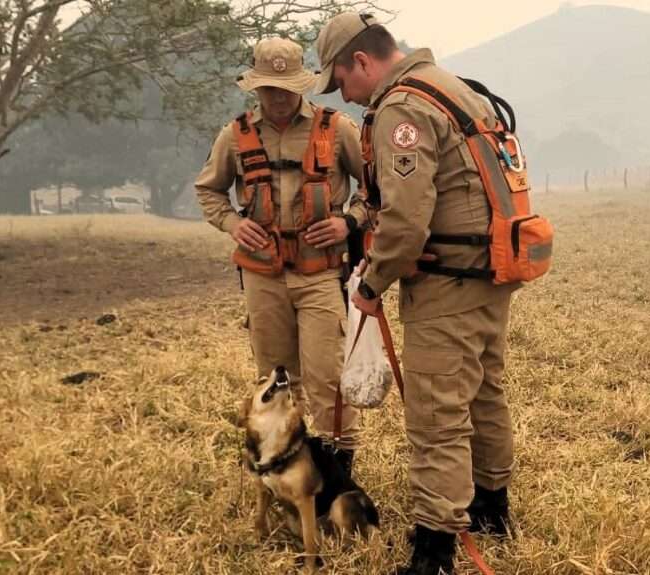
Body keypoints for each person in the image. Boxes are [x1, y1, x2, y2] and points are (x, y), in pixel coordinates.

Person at [315, 13, 521, 574]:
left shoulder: (402, 105)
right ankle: (492, 506)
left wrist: (372, 283)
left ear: (362, 60)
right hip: (488, 271)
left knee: (436, 415)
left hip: (447, 280)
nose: (347, 97)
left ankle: (434, 548)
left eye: (342, 81)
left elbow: (406, 221)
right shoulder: (452, 86)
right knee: (484, 391)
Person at [195, 37, 368, 473]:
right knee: (274, 380)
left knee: (327, 377)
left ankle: (335, 473)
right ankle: (280, 468)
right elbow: (208, 191)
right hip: (263, 276)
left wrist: (348, 223)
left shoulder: (337, 128)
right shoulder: (234, 137)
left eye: (286, 87)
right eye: (268, 88)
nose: (277, 97)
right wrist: (234, 224)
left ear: (302, 86)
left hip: (320, 273)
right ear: (255, 88)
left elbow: (376, 187)